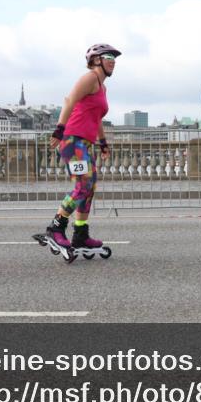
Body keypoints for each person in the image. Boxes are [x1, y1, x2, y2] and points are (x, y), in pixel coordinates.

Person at [44, 43, 120, 252]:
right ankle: (56, 228)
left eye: (114, 58)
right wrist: (59, 129)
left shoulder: (102, 87)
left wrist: (103, 142)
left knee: (89, 188)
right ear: (96, 60)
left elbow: (97, 119)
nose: (113, 61)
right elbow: (69, 100)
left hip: (84, 144)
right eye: (108, 57)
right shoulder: (89, 79)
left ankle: (80, 233)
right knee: (83, 186)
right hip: (72, 142)